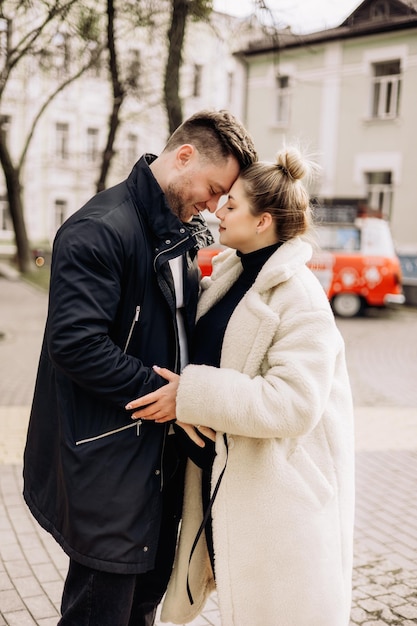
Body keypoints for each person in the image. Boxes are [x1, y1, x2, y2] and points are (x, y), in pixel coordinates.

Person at [22, 109, 257, 626]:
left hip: (156, 459)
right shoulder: (100, 229)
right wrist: (171, 395)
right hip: (108, 460)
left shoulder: (178, 232)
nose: (215, 206)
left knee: (139, 606)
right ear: (185, 155)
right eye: (215, 189)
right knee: (99, 612)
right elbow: (76, 344)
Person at [126, 146, 355, 626]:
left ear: (263, 220)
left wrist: (190, 395)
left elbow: (294, 404)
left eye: (231, 205)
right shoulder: (232, 272)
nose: (218, 210)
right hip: (225, 485)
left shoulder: (301, 297)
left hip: (277, 500)